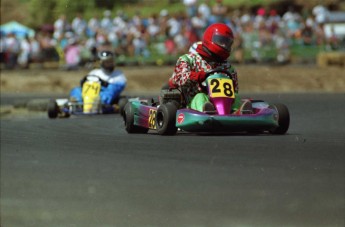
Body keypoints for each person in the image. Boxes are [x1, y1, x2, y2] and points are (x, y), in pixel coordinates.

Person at [168, 23, 252, 114]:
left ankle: (237, 113)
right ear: (210, 38)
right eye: (221, 41)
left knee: (235, 96)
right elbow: (177, 79)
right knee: (200, 97)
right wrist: (198, 76)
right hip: (191, 100)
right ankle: (207, 112)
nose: (224, 45)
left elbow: (234, 90)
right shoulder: (188, 59)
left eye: (227, 43)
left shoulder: (228, 67)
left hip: (223, 102)